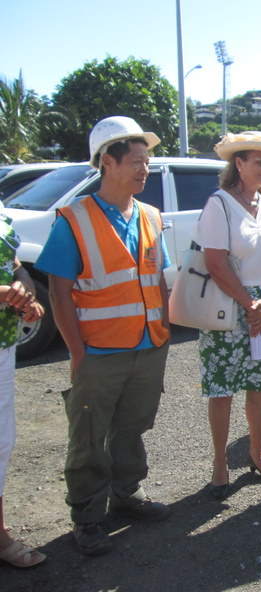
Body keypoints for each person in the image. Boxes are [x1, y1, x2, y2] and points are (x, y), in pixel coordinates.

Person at [35, 116, 171, 556]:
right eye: (135, 161)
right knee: (90, 437)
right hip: (99, 351)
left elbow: (158, 279)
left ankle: (126, 495)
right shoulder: (73, 219)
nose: (144, 169)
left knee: (133, 427)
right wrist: (77, 353)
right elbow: (58, 290)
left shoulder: (150, 215)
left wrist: (164, 329)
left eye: (146, 162)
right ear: (107, 163)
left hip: (148, 345)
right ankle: (88, 517)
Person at [196, 131, 261, 499]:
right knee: (222, 388)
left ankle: (257, 454)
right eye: (259, 161)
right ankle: (220, 462)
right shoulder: (218, 204)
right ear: (238, 163)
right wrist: (248, 304)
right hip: (226, 305)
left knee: (260, 385)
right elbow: (214, 262)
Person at [0, 206, 46, 567]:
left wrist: (24, 292)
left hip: (3, 342)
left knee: (2, 441)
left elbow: (14, 264)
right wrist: (6, 293)